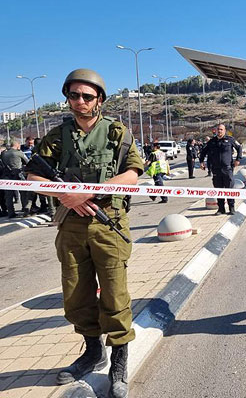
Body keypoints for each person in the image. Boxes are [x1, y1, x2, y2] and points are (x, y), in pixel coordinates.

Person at [25, 69, 144, 398]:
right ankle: (93, 352)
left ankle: (119, 362)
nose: (79, 102)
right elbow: (33, 173)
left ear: (99, 100)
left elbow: (132, 175)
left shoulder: (117, 133)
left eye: (86, 97)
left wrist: (88, 193)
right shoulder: (58, 136)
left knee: (114, 293)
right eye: (73, 96)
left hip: (109, 223)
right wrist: (65, 195)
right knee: (76, 294)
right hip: (71, 224)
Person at [199, 124, 242, 215]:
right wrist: (201, 162)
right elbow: (203, 151)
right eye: (218, 129)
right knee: (218, 190)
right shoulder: (211, 142)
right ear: (216, 131)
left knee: (229, 189)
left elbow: (239, 148)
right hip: (216, 170)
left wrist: (238, 159)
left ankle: (231, 208)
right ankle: (221, 209)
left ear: (224, 130)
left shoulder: (230, 140)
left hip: (227, 169)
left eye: (221, 129)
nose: (219, 131)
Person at [1, 140, 29, 218]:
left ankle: (11, 212)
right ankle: (25, 209)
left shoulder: (4, 154)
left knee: (8, 195)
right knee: (23, 193)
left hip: (6, 175)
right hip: (18, 175)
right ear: (17, 145)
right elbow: (27, 162)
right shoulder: (19, 153)